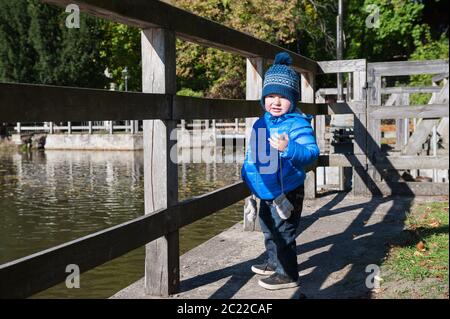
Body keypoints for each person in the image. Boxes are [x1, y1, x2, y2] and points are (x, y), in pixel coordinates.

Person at [241, 51, 320, 290]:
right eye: (271, 96)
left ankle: (288, 274)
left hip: (288, 190)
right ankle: (274, 262)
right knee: (268, 228)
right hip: (265, 189)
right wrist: (247, 172)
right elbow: (252, 151)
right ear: (263, 98)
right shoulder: (261, 122)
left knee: (284, 232)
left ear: (293, 100)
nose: (276, 102)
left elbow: (311, 153)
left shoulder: (297, 124)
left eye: (282, 97)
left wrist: (289, 148)